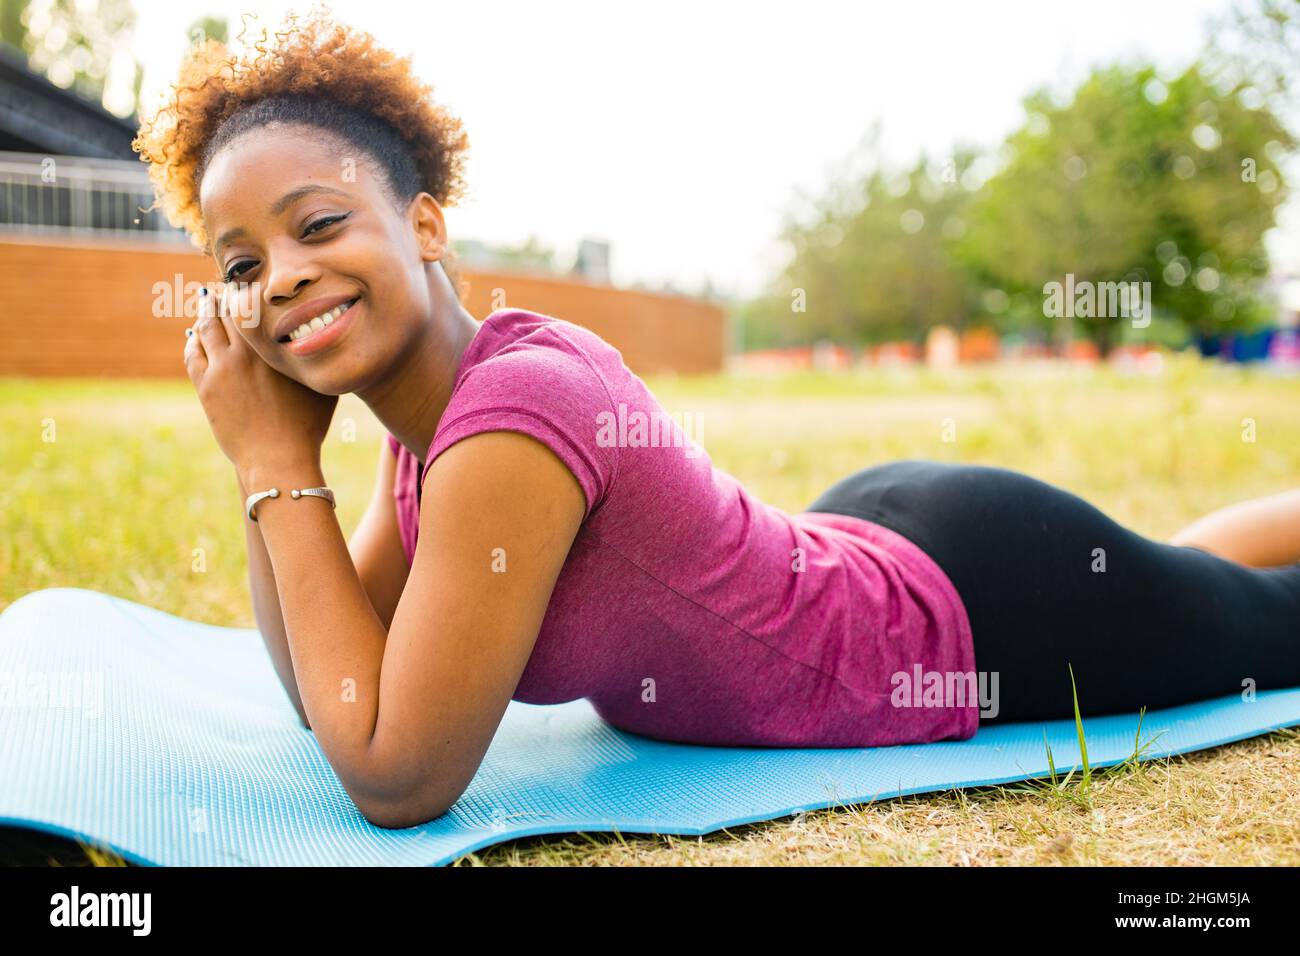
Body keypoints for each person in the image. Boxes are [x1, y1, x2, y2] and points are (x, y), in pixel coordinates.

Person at [134, 11, 1300, 829]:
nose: (280, 275)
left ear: (425, 225)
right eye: (242, 261)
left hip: (982, 612)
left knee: (1259, 622)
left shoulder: (509, 417)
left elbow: (395, 771)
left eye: (319, 224)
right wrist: (267, 464)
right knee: (1187, 568)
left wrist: (275, 459)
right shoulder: (423, 442)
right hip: (885, 533)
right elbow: (331, 690)